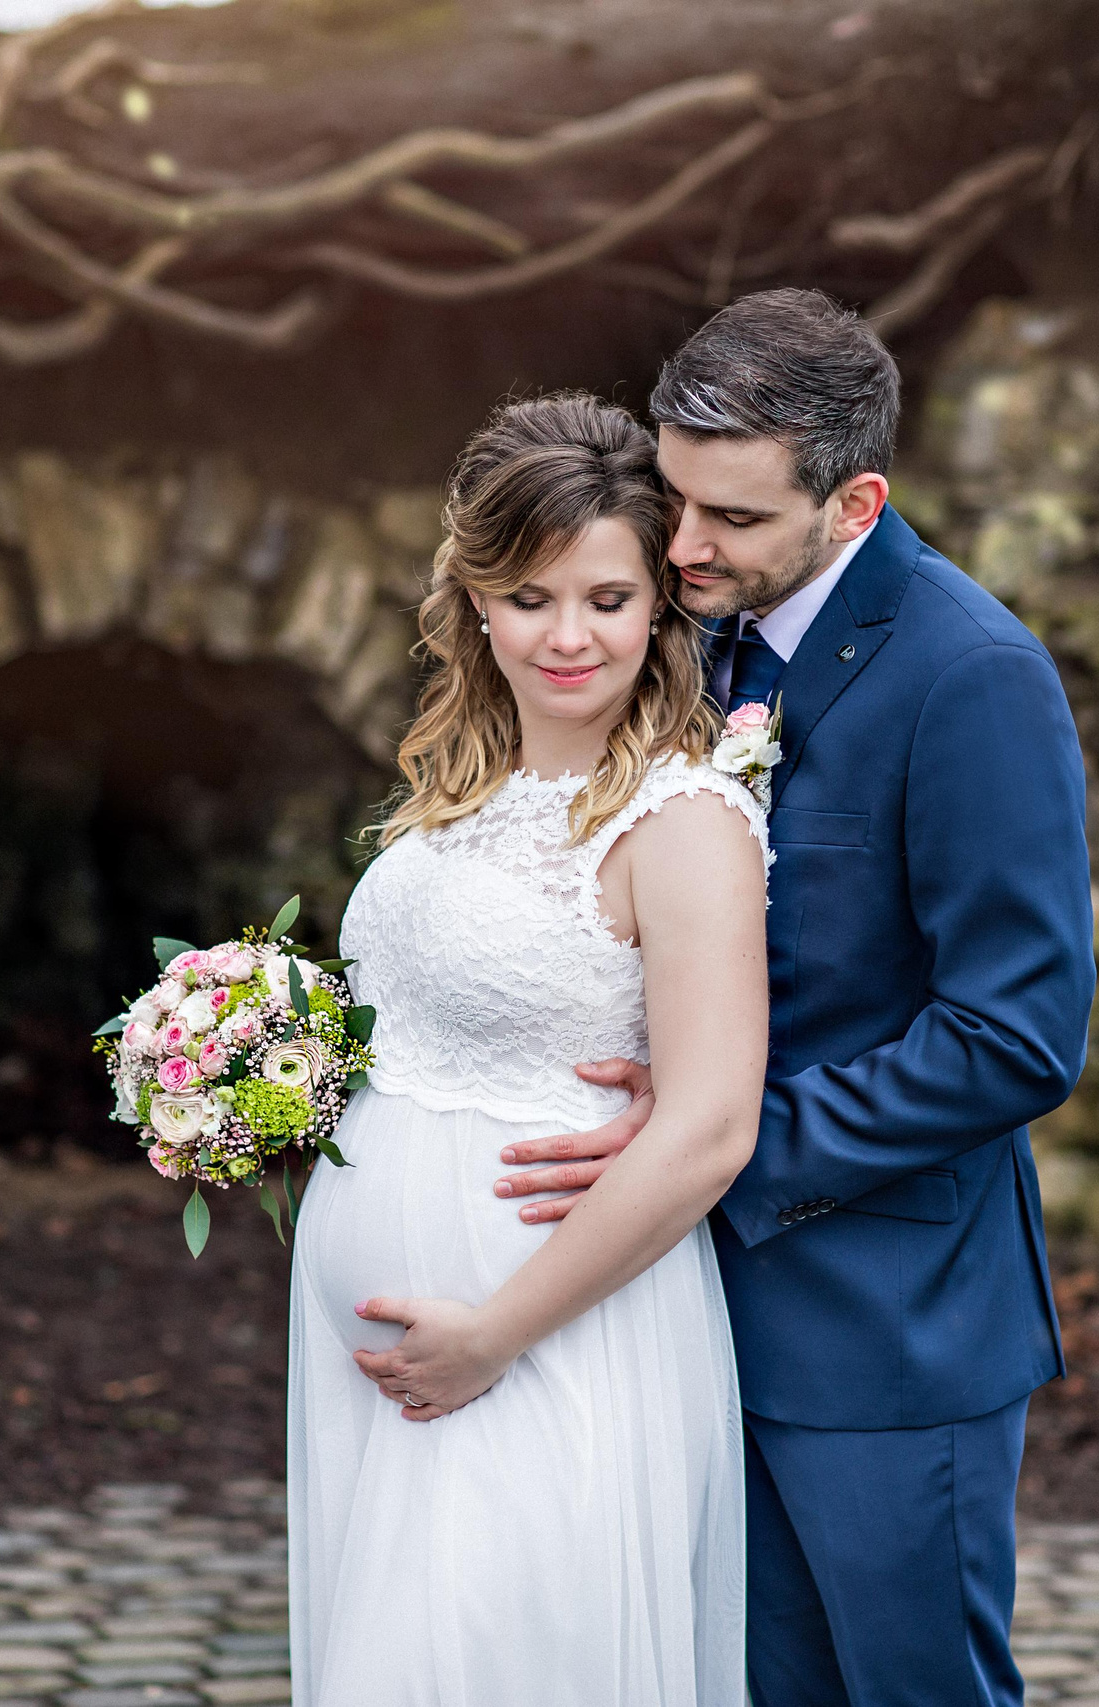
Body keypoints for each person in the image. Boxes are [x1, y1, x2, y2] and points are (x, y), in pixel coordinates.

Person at [494, 289, 1097, 1707]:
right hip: (675, 1320)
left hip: (888, 1330)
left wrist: (716, 1138)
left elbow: (1013, 1035)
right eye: (674, 497)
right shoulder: (689, 630)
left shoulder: (974, 675)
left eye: (736, 519)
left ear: (856, 501)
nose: (685, 546)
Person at [285, 392, 769, 1706]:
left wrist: (495, 1333)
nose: (569, 636)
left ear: (659, 611)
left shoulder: (684, 824)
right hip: (396, 1375)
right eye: (533, 596)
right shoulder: (457, 793)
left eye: (608, 600)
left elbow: (712, 1130)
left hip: (551, 1345)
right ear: (476, 602)